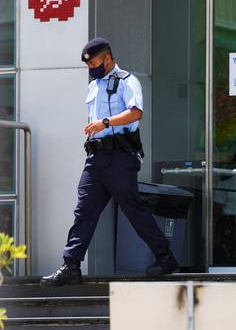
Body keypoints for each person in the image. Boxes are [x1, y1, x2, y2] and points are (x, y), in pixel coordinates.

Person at [40, 37, 178, 286]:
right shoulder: (94, 86)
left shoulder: (127, 81)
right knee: (84, 211)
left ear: (107, 57)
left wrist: (105, 123)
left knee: (133, 209)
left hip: (119, 157)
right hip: (96, 158)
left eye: (93, 61)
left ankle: (165, 256)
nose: (91, 67)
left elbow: (136, 112)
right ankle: (71, 266)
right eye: (88, 64)